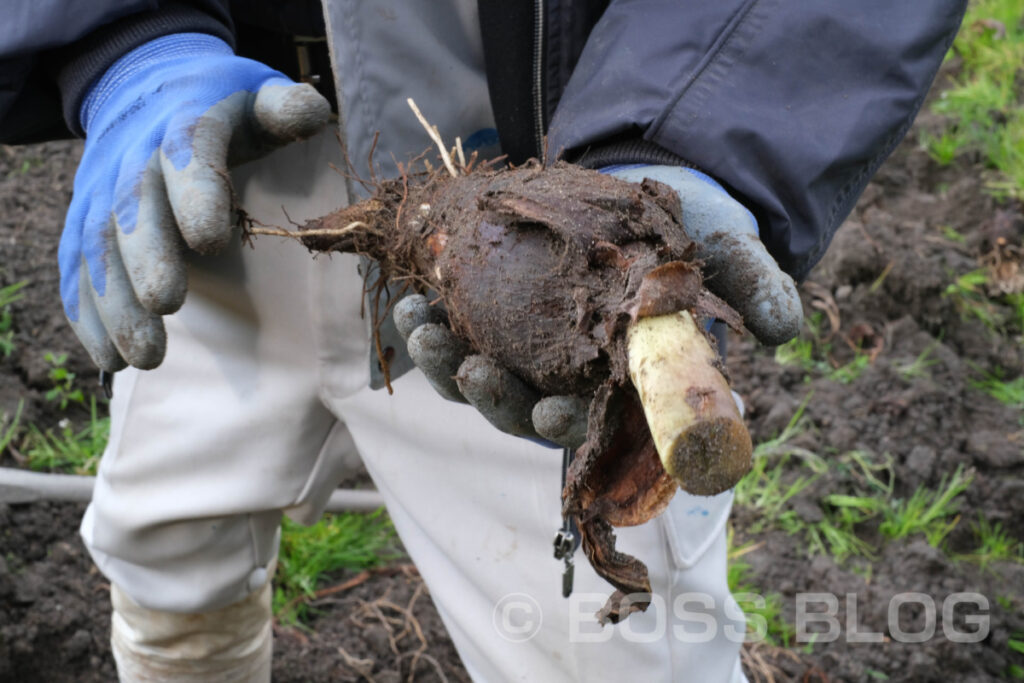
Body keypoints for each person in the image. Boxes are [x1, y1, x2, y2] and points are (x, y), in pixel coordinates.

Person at [1, 2, 966, 681]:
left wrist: (686, 136)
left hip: (546, 166)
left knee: (613, 649)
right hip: (210, 168)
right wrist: (124, 39)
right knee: (164, 546)